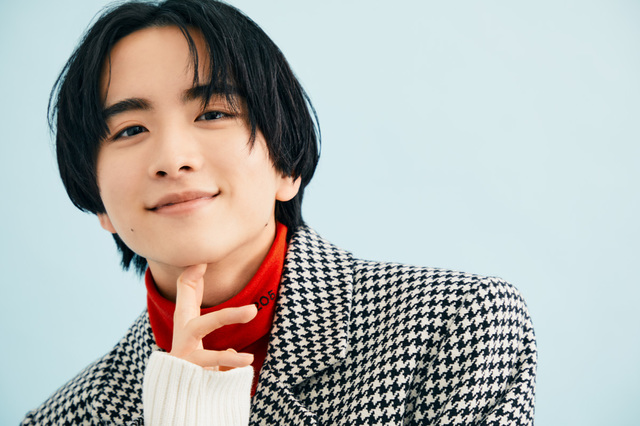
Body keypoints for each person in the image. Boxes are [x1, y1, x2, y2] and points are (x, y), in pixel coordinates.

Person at [22, 0, 537, 424]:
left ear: (285, 164)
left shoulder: (455, 326)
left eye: (214, 113)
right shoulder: (64, 417)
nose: (173, 159)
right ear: (97, 200)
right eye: (130, 130)